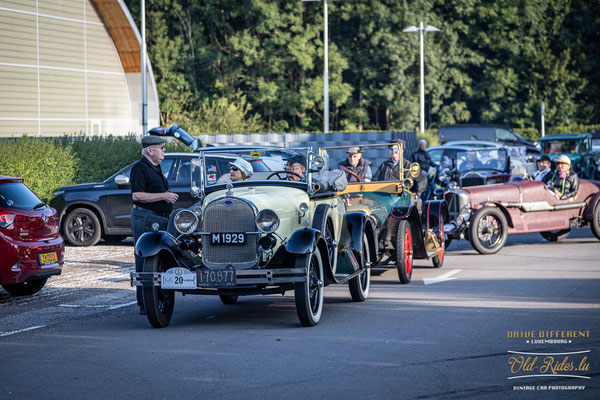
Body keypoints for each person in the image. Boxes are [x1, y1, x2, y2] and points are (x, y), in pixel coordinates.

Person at [130, 135, 179, 315]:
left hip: (159, 217)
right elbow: (137, 196)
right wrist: (164, 196)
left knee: (160, 259)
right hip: (147, 218)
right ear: (150, 150)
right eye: (161, 147)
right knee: (145, 257)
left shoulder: (155, 167)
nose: (164, 150)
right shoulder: (140, 168)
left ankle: (158, 297)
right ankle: (145, 303)